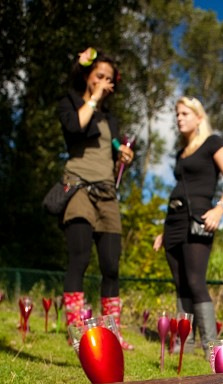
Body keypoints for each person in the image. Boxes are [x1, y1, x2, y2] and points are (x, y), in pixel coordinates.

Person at [58, 47, 134, 349]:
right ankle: (76, 331)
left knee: (111, 265)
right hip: (78, 188)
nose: (104, 81)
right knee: (79, 258)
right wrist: (92, 98)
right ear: (88, 77)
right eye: (98, 76)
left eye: (108, 78)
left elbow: (112, 161)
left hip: (107, 193)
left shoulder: (110, 120)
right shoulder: (71, 103)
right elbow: (74, 127)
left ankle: (112, 330)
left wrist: (124, 158)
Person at [153, 97, 223, 357]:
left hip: (200, 218)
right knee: (180, 284)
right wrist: (164, 230)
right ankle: (184, 343)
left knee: (195, 281)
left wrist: (219, 210)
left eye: (185, 114)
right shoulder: (181, 153)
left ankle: (211, 348)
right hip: (174, 221)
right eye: (177, 114)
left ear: (199, 117)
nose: (179, 118)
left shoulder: (213, 143)